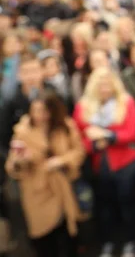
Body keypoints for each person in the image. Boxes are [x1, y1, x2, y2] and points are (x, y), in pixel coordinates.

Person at [5, 92, 84, 257]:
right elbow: (13, 167)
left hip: (62, 188)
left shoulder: (65, 126)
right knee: (43, 237)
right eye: (36, 110)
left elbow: (78, 151)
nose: (40, 115)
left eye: (44, 111)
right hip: (37, 190)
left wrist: (61, 160)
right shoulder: (22, 133)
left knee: (67, 233)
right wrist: (21, 160)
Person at [73, 67, 135, 257]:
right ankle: (107, 243)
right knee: (104, 206)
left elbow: (132, 133)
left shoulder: (126, 103)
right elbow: (77, 137)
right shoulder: (83, 106)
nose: (104, 89)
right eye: (101, 85)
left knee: (127, 203)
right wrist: (94, 145)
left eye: (108, 85)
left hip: (125, 162)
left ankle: (130, 242)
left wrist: (108, 136)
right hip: (98, 163)